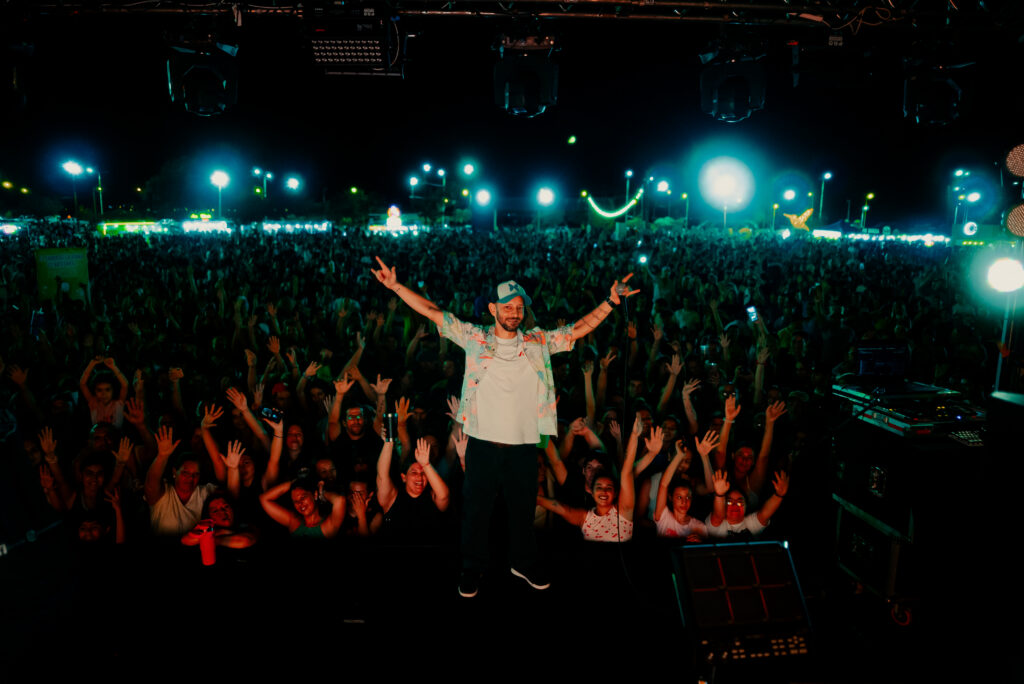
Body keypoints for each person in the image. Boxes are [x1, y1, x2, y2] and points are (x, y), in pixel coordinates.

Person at [372, 256, 638, 597]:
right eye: (508, 307)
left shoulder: (537, 342)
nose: (514, 313)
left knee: (522, 511)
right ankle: (471, 568)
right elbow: (433, 311)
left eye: (519, 308)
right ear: (493, 309)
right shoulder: (474, 337)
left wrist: (611, 302)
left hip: (523, 446)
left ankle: (523, 563)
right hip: (483, 444)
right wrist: (396, 286)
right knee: (476, 511)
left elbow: (577, 329)